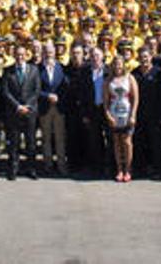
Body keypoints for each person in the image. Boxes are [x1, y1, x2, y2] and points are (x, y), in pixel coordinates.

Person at [3, 43, 41, 180]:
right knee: (14, 142)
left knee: (31, 142)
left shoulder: (34, 70)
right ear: (14, 56)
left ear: (26, 55)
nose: (20, 57)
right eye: (17, 55)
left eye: (22, 55)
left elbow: (36, 90)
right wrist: (17, 106)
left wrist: (27, 106)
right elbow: (6, 91)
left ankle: (31, 168)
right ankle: (13, 169)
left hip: (30, 112)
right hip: (14, 112)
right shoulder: (7, 70)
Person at [132, 46, 161, 179]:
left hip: (155, 114)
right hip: (139, 114)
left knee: (156, 143)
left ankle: (158, 169)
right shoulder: (134, 74)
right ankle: (141, 168)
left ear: (151, 57)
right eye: (141, 57)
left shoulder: (159, 73)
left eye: (146, 56)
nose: (144, 59)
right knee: (140, 142)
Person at [104, 55, 139, 183]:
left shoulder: (130, 78)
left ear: (124, 65)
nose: (118, 66)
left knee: (127, 142)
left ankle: (128, 170)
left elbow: (135, 98)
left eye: (120, 64)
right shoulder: (109, 80)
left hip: (127, 114)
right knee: (117, 142)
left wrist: (133, 115)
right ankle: (119, 170)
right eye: (115, 64)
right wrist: (108, 114)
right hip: (114, 113)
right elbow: (105, 100)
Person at [38, 42, 68, 176]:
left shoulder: (62, 68)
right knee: (46, 138)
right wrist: (47, 95)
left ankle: (61, 165)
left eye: (51, 51)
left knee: (60, 138)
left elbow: (66, 87)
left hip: (59, 107)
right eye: (46, 51)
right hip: (45, 107)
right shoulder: (37, 69)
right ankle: (48, 164)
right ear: (43, 53)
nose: (48, 53)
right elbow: (35, 89)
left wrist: (59, 97)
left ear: (55, 52)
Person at [79, 47, 108, 176]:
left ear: (102, 56)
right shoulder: (85, 72)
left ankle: (110, 166)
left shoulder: (109, 71)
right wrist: (84, 113)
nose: (95, 58)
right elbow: (82, 94)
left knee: (110, 138)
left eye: (97, 55)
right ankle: (96, 167)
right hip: (92, 110)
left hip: (106, 109)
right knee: (94, 140)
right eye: (93, 55)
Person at [63, 43, 88, 173]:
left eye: (78, 53)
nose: (76, 56)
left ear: (83, 54)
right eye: (73, 53)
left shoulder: (88, 69)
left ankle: (87, 164)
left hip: (85, 109)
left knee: (86, 137)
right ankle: (73, 164)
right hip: (70, 109)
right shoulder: (66, 70)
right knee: (72, 137)